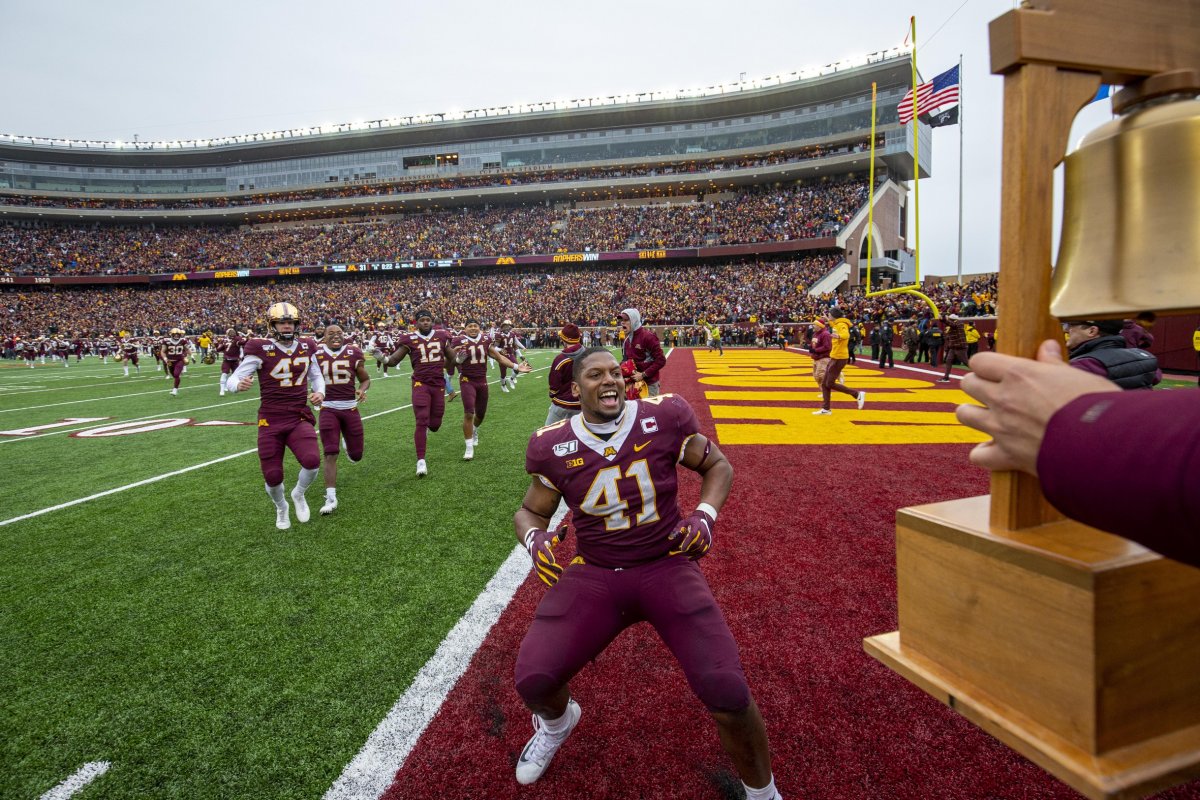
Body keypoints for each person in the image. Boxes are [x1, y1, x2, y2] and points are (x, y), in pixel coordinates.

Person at [512, 347, 782, 799]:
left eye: (615, 372)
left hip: (666, 563)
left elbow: (718, 465)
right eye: (596, 375)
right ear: (576, 390)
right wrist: (534, 540)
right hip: (596, 573)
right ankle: (558, 724)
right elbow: (529, 512)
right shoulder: (550, 444)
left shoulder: (665, 415)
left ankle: (764, 793)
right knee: (534, 679)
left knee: (727, 691)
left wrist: (705, 516)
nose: (610, 381)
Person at [956, 339, 1200, 568]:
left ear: (1092, 331)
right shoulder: (1141, 354)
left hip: (1115, 468)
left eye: (1076, 326)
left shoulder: (1092, 362)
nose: (1069, 332)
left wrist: (1083, 422)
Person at [224, 302, 325, 531]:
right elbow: (234, 377)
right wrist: (237, 385)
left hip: (298, 414)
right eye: (282, 322)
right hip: (270, 419)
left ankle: (298, 494)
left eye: (291, 322)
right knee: (272, 476)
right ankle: (281, 506)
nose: (287, 326)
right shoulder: (260, 347)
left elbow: (316, 376)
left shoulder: (307, 345)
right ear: (272, 324)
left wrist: (320, 392)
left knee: (312, 462)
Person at [380, 310, 456, 477]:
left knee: (435, 425)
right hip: (420, 383)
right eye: (422, 320)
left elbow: (453, 358)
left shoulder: (442, 336)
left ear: (432, 321)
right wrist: (383, 359)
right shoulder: (409, 339)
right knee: (421, 419)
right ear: (416, 323)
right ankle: (421, 460)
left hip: (438, 384)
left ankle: (426, 429)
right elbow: (393, 361)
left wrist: (450, 364)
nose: (425, 322)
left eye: (428, 319)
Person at [451, 318, 530, 460]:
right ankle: (468, 447)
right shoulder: (458, 340)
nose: (473, 328)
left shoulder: (485, 340)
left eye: (475, 326)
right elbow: (450, 361)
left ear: (479, 328)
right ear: (465, 328)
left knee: (480, 415)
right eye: (470, 326)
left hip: (482, 380)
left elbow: (499, 357)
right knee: (469, 413)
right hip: (466, 379)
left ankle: (475, 430)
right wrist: (457, 360)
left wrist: (517, 367)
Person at [313, 324, 370, 516]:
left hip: (350, 408)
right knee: (330, 452)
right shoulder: (316, 354)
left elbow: (365, 379)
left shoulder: (353, 352)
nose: (336, 336)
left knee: (357, 456)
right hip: (328, 408)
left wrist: (361, 390)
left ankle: (348, 443)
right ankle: (331, 497)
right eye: (331, 334)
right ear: (324, 336)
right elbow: (304, 378)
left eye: (339, 333)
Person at [1063, 319, 1159, 389]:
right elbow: (1156, 376)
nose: (1066, 330)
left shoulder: (1083, 365)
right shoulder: (1146, 358)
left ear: (1092, 331)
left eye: (1070, 326)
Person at [813, 314, 866, 416]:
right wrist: (828, 320)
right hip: (835, 356)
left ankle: (857, 394)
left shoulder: (842, 324)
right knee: (825, 384)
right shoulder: (837, 324)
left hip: (839, 357)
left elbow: (845, 334)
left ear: (834, 315)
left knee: (829, 383)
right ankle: (826, 409)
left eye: (829, 315)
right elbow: (834, 326)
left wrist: (839, 336)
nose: (828, 316)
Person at [619, 308, 667, 395]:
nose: (622, 322)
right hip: (633, 384)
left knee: (649, 408)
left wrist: (643, 375)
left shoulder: (648, 337)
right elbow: (625, 361)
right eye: (622, 320)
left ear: (634, 320)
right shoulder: (626, 340)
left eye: (626, 320)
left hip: (649, 384)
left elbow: (661, 360)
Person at [545, 323, 584, 425]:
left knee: (549, 433)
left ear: (565, 339)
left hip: (562, 404)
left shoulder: (561, 359)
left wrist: (553, 394)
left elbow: (554, 385)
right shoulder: (588, 355)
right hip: (582, 404)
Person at [160, 327, 193, 397]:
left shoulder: (183, 340)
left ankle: (175, 390)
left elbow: (187, 349)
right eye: (175, 334)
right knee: (174, 376)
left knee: (176, 374)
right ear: (171, 334)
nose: (177, 336)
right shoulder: (166, 341)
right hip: (170, 361)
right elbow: (162, 351)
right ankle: (175, 387)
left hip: (179, 360)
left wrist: (192, 356)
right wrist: (165, 359)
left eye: (178, 334)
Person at [938, 315, 969, 383]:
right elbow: (948, 335)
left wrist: (943, 319)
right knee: (948, 361)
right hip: (953, 347)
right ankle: (946, 377)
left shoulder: (959, 323)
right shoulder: (952, 325)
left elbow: (952, 324)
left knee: (966, 362)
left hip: (960, 347)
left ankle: (981, 373)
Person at [220, 327, 243, 396]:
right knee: (224, 373)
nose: (232, 334)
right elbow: (219, 348)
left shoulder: (237, 339)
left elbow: (242, 343)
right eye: (230, 333)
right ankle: (222, 390)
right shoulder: (224, 340)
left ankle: (231, 387)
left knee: (236, 375)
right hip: (227, 359)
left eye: (233, 332)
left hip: (235, 360)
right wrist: (216, 347)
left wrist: (247, 339)